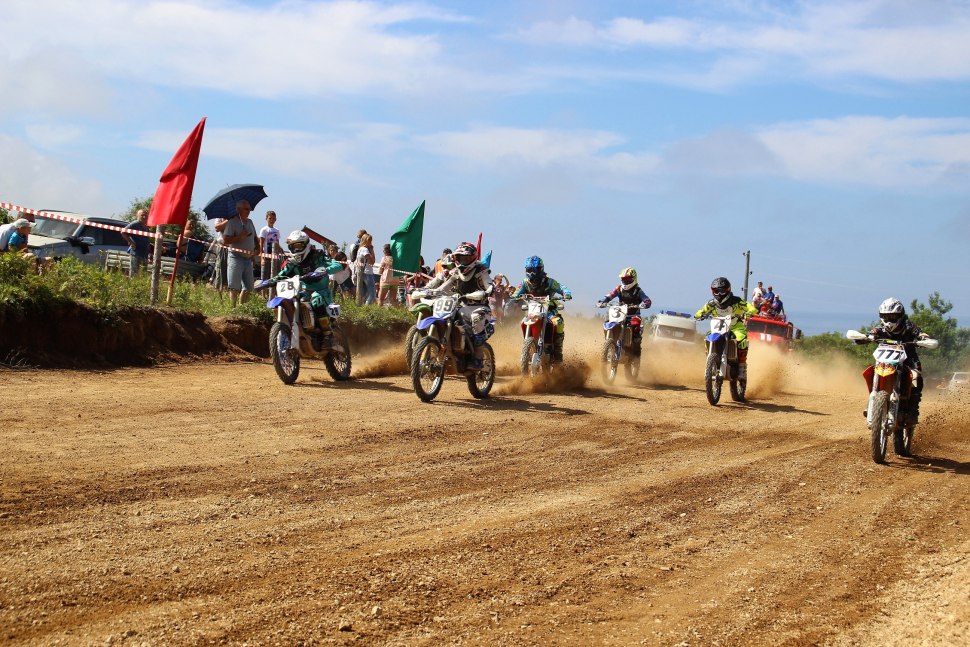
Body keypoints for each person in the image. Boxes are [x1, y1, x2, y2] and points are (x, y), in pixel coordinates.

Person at [258, 231, 345, 349]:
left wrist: (324, 270)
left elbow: (337, 265)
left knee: (316, 300)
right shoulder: (292, 262)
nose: (296, 249)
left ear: (306, 245)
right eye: (293, 246)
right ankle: (300, 328)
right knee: (296, 300)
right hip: (304, 291)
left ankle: (328, 335)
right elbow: (282, 275)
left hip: (322, 292)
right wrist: (268, 282)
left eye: (298, 246)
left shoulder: (318, 256)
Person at [417, 241, 493, 368]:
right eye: (460, 258)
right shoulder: (456, 272)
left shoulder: (481, 270)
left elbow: (489, 284)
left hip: (479, 307)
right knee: (448, 318)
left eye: (466, 258)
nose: (463, 262)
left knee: (476, 318)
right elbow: (443, 287)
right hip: (460, 306)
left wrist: (487, 291)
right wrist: (430, 291)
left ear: (473, 258)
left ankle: (478, 357)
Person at [855, 297, 930, 425]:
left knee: (916, 377)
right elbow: (870, 333)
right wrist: (863, 337)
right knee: (871, 371)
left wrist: (923, 339)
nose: (889, 320)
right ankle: (873, 403)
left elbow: (921, 333)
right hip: (886, 359)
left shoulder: (908, 326)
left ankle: (913, 410)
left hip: (908, 358)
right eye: (886, 316)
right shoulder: (880, 329)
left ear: (900, 315)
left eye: (892, 316)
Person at [693, 277, 758, 381]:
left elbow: (750, 307)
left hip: (735, 327)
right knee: (708, 337)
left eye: (722, 291)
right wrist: (699, 315)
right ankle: (711, 360)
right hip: (718, 328)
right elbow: (701, 311)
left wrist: (749, 312)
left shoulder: (737, 301)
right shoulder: (711, 304)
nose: (719, 294)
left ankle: (742, 367)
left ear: (728, 290)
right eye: (716, 291)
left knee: (741, 339)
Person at [510, 255, 572, 364]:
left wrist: (566, 293)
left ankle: (558, 353)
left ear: (540, 269)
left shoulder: (549, 282)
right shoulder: (525, 282)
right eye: (529, 270)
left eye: (534, 270)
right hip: (533, 311)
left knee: (558, 322)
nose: (532, 273)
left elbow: (561, 287)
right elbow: (517, 292)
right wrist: (514, 296)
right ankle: (528, 347)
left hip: (549, 311)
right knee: (523, 322)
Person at [597, 267, 653, 358]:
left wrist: (645, 304)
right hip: (620, 314)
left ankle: (636, 356)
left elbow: (647, 300)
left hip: (633, 315)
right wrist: (602, 302)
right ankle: (609, 343)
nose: (625, 281)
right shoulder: (619, 288)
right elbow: (610, 295)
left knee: (635, 326)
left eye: (628, 279)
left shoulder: (638, 291)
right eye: (624, 279)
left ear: (634, 279)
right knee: (608, 322)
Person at [221, 200, 259, 307]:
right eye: (246, 209)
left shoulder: (250, 222)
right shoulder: (232, 222)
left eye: (249, 209)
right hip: (236, 257)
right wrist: (239, 237)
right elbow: (226, 239)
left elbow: (254, 236)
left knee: (249, 287)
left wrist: (258, 247)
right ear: (238, 209)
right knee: (234, 286)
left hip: (248, 258)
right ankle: (232, 308)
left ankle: (242, 307)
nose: (249, 211)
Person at [121, 208, 151, 277]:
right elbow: (123, 232)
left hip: (144, 254)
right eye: (142, 215)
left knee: (143, 274)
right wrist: (131, 242)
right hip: (136, 253)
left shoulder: (146, 227)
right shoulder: (135, 224)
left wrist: (150, 253)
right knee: (135, 274)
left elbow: (147, 240)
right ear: (137, 216)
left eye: (146, 215)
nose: (144, 217)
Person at [258, 210, 281, 280]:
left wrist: (279, 251)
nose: (271, 220)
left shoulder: (277, 230)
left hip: (275, 255)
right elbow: (261, 244)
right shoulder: (264, 230)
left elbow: (277, 242)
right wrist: (262, 258)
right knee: (265, 275)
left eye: (273, 218)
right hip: (266, 255)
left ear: (275, 219)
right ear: (266, 219)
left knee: (275, 274)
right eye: (270, 218)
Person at [354, 233, 376, 305]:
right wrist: (372, 250)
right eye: (369, 241)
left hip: (362, 272)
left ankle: (361, 306)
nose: (371, 242)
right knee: (372, 294)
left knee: (364, 293)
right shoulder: (365, 250)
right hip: (367, 273)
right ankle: (366, 308)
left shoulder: (360, 249)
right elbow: (372, 262)